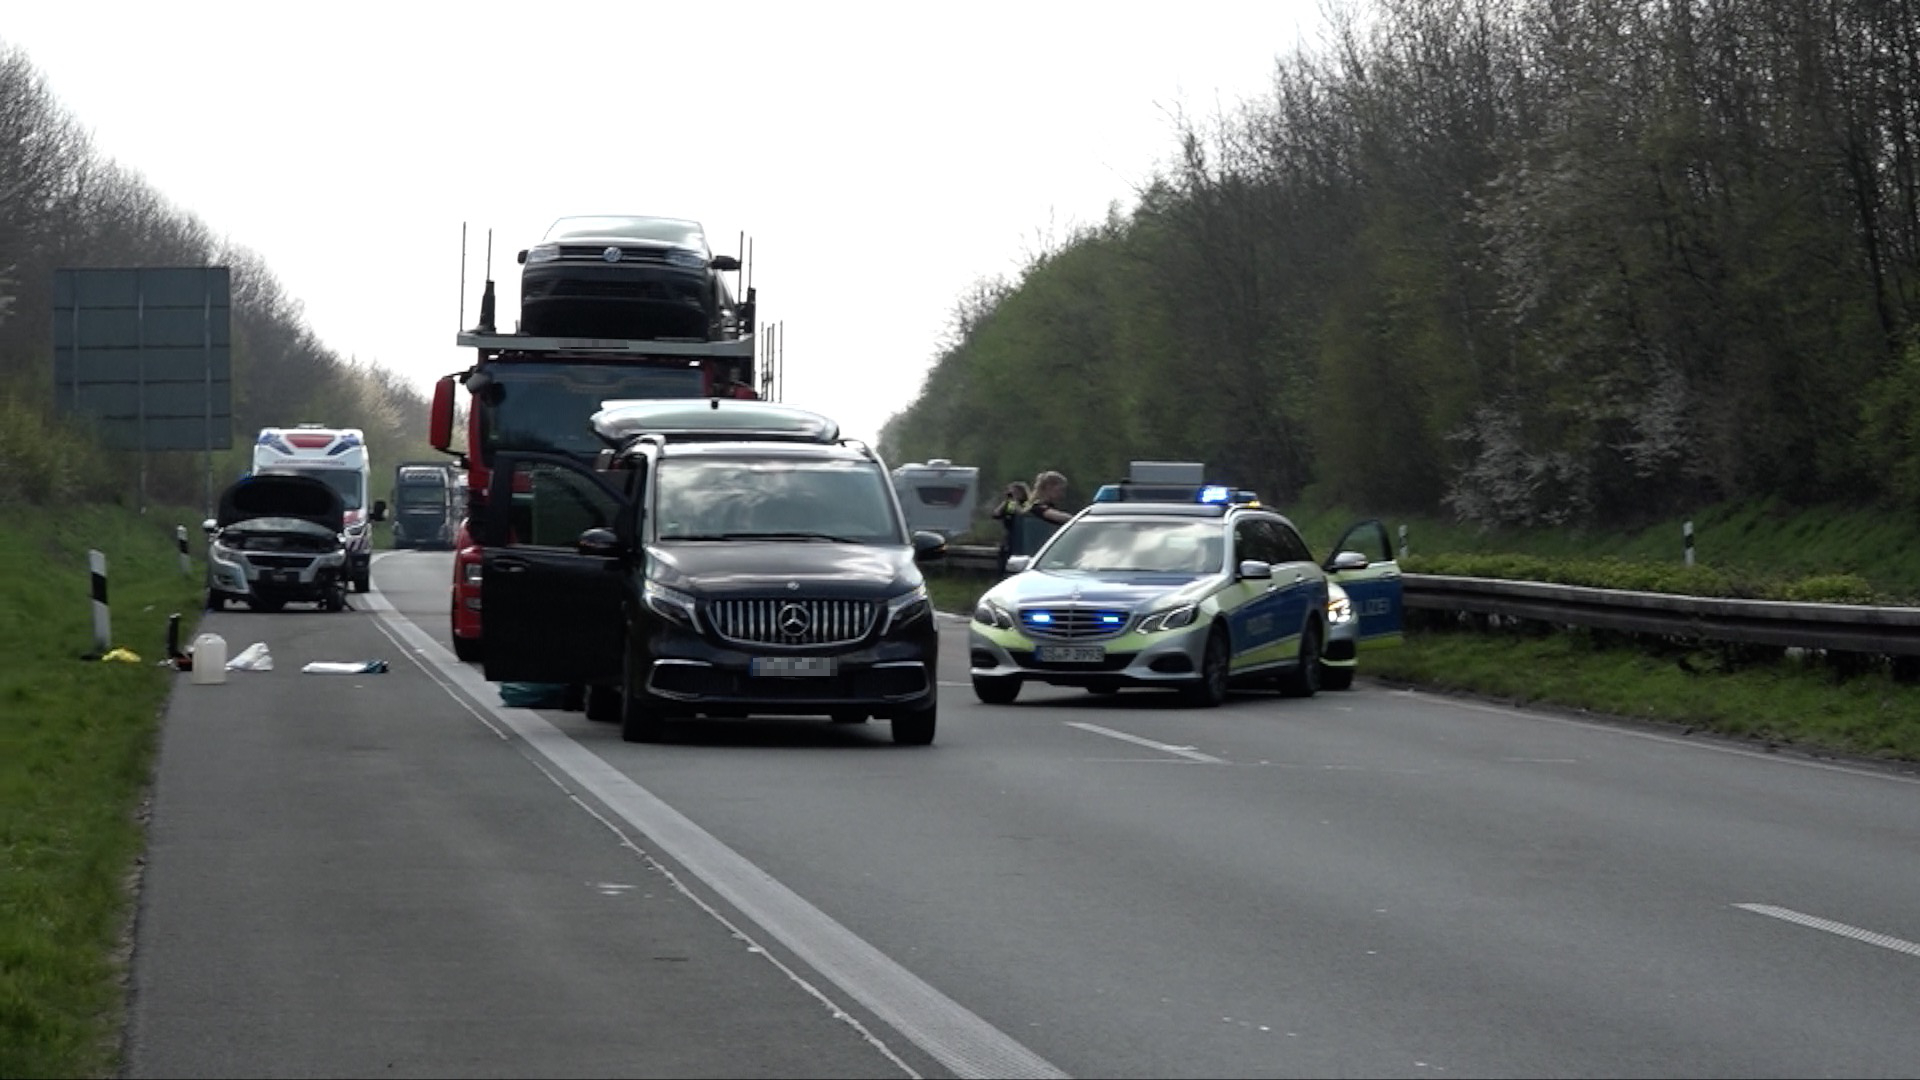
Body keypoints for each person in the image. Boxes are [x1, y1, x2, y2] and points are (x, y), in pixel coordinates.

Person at [991, 480, 1030, 574]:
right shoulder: (1010, 504)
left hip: (1021, 537)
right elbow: (996, 514)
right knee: (1003, 558)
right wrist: (1006, 501)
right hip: (1009, 536)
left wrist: (1016, 501)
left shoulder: (1027, 504)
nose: (1013, 495)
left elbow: (1022, 513)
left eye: (1015, 492)